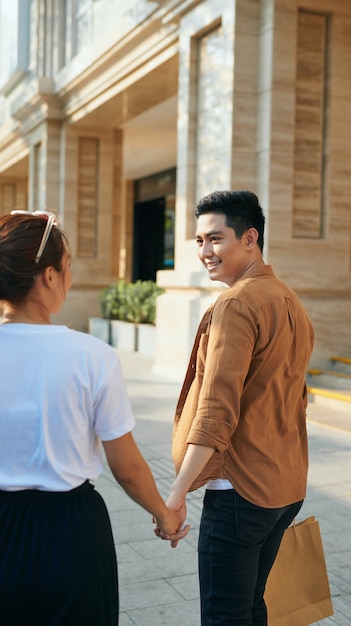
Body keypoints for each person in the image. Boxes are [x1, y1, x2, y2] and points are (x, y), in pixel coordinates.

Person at [0, 210, 188, 626]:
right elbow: (126, 466)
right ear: (49, 276)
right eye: (67, 268)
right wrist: (164, 514)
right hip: (71, 533)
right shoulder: (91, 356)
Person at [158, 190, 314, 625]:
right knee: (251, 608)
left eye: (216, 239)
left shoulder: (237, 303)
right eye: (199, 241)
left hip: (240, 491)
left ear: (250, 238)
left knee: (227, 615)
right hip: (284, 486)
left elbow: (216, 409)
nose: (205, 251)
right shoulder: (288, 299)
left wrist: (177, 491)